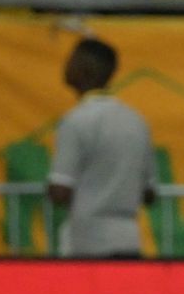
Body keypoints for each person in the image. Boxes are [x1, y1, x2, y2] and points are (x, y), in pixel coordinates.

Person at [48, 38, 157, 259]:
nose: (67, 66)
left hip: (87, 241)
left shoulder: (76, 121)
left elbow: (60, 189)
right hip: (128, 238)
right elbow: (149, 193)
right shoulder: (136, 121)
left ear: (83, 68)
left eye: (71, 60)